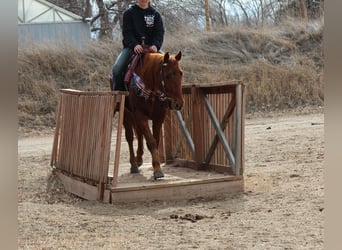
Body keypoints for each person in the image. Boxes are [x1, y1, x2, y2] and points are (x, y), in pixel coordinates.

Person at [111, 0, 165, 91]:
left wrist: (155, 45)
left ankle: (167, 97)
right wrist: (135, 45)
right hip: (132, 48)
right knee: (117, 69)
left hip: (152, 49)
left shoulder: (155, 14)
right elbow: (127, 33)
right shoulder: (129, 13)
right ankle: (119, 99)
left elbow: (159, 33)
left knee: (169, 65)